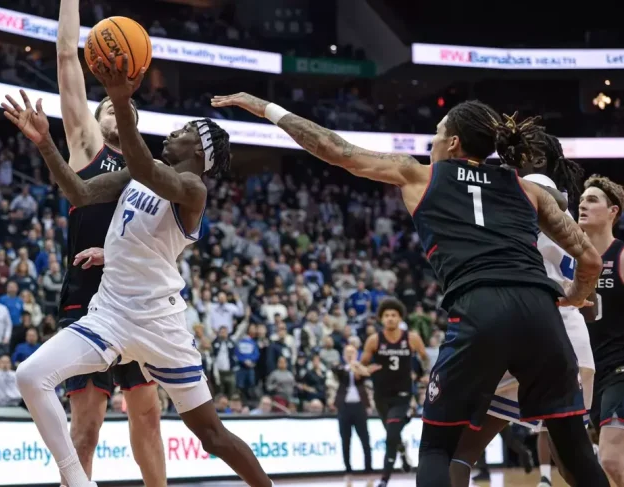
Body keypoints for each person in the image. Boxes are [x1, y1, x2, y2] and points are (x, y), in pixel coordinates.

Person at [211, 93, 607, 485]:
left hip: (480, 308)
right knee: (573, 447)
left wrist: (266, 108)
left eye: (437, 133)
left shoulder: (420, 174)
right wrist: (573, 295)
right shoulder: (528, 189)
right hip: (541, 313)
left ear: (452, 142)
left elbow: (333, 148)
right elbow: (589, 260)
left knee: (436, 447)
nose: (431, 141)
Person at [4, 59, 270, 487]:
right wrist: (45, 144)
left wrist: (123, 99)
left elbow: (145, 167)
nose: (171, 134)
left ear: (199, 152)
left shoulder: (193, 190)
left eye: (182, 132)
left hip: (159, 323)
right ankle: (78, 482)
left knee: (211, 435)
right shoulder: (137, 175)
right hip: (110, 313)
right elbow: (80, 191)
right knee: (30, 376)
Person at [38, 0, 166, 484]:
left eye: (126, 105)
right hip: (88, 299)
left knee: (148, 416)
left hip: (135, 298)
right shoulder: (87, 144)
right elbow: (68, 55)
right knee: (87, 428)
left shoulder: (148, 171)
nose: (119, 107)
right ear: (96, 114)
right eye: (110, 104)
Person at [447, 131, 589, 486]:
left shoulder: (533, 184)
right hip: (568, 334)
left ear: (539, 159)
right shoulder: (550, 190)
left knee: (460, 449)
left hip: (536, 325)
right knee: (572, 459)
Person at [577, 174, 624, 485]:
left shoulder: (620, 255)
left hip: (621, 368)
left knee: (609, 457)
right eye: (581, 200)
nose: (582, 204)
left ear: (613, 212)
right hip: (589, 373)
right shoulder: (572, 260)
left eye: (592, 200)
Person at [360, 298, 427, 486]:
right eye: (386, 315)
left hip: (403, 396)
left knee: (390, 437)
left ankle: (384, 480)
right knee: (392, 434)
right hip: (381, 396)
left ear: (400, 318)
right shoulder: (374, 340)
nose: (390, 318)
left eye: (393, 315)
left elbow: (424, 358)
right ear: (381, 319)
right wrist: (363, 369)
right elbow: (362, 364)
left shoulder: (412, 338)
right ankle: (403, 454)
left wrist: (423, 373)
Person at [335, 344, 374, 475]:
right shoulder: (341, 368)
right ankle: (348, 468)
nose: (350, 355)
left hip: (359, 407)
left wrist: (356, 366)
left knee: (365, 438)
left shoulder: (361, 369)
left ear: (357, 354)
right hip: (345, 407)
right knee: (345, 439)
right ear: (343, 355)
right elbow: (338, 371)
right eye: (347, 353)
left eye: (352, 352)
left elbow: (365, 375)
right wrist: (349, 366)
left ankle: (368, 467)